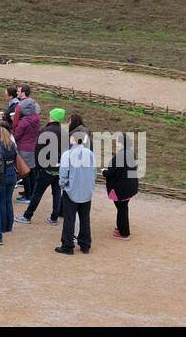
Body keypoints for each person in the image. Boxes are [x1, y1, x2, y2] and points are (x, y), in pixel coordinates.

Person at [55, 124, 96, 255]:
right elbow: (94, 172)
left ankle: (68, 246)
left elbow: (63, 173)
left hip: (71, 191)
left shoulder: (68, 154)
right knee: (85, 218)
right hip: (86, 191)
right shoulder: (90, 154)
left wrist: (64, 186)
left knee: (69, 219)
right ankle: (85, 245)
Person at [20, 107, 65, 224]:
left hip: (46, 168)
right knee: (56, 193)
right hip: (59, 167)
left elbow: (38, 150)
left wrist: (39, 167)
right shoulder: (64, 133)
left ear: (52, 117)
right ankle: (54, 218)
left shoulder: (46, 131)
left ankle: (27, 216)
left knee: (37, 193)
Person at [104, 131, 140, 239]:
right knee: (123, 207)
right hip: (130, 186)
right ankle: (121, 227)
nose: (116, 144)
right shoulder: (130, 152)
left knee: (121, 208)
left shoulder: (120, 155)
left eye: (117, 142)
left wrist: (104, 172)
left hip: (121, 188)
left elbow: (111, 172)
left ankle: (124, 233)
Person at [13, 95, 41, 201]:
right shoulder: (36, 118)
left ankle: (28, 195)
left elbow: (17, 135)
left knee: (25, 173)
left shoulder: (24, 121)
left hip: (23, 148)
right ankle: (31, 193)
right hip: (32, 147)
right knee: (32, 171)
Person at [0, 125, 21, 234]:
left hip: (2, 174)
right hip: (12, 174)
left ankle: (2, 226)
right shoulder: (12, 145)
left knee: (1, 201)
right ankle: (9, 225)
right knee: (8, 201)